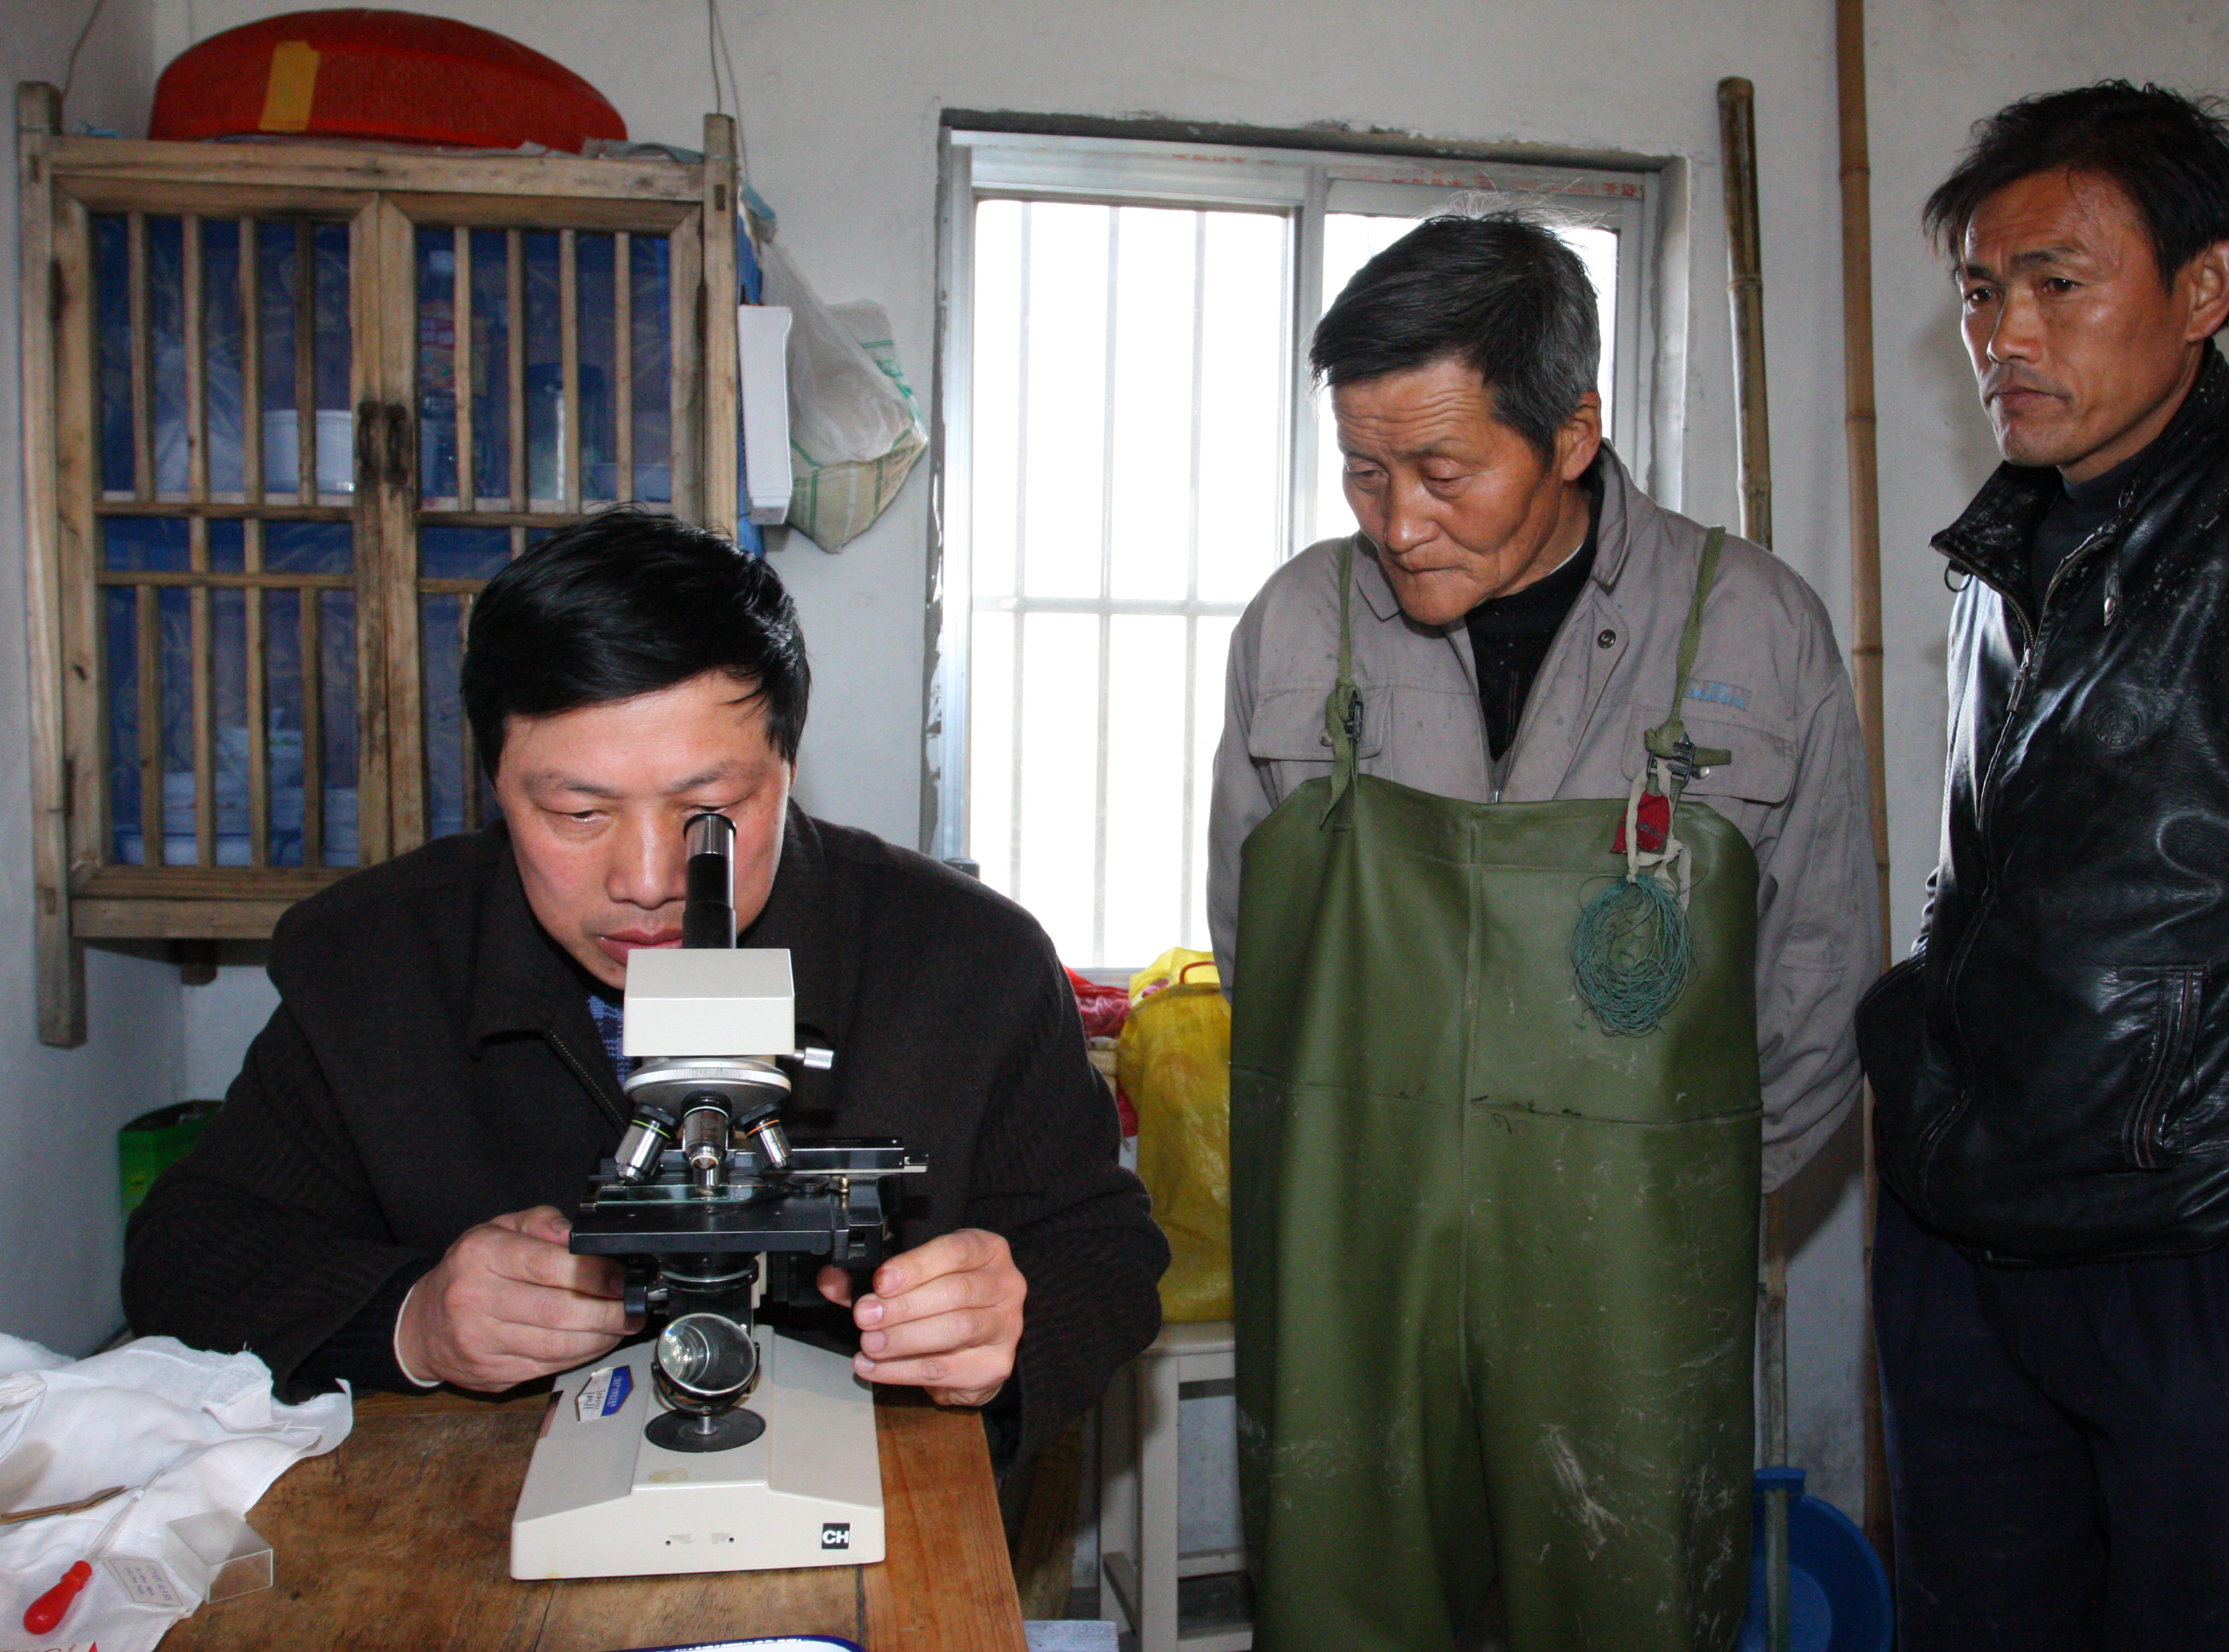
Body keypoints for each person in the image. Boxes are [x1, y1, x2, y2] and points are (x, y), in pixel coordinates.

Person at [124, 511, 1166, 1472]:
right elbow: (190, 1249)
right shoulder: (371, 960)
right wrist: (418, 1318)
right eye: (578, 814)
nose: (651, 878)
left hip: (886, 1493)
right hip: (470, 1504)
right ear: (494, 781)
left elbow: (1103, 1249)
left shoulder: (967, 957)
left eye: (712, 809)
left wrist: (1004, 1318)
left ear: (787, 765)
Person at [1208, 212, 1878, 1651]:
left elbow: (1819, 984)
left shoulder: (1753, 631)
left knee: (1631, 1607)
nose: (1399, 521)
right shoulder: (1299, 627)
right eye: (1365, 470)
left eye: (1443, 472)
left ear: (1573, 432)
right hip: (1353, 1246)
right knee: (1342, 1608)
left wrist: (1665, 1188)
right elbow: (1261, 955)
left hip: (1629, 1263)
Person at [1861, 82, 2229, 1651]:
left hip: (2205, 1279)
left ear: (2207, 287)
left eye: (2058, 283)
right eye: (1980, 291)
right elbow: (1988, 880)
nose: (2004, 334)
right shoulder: (2013, 547)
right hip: (1967, 1258)